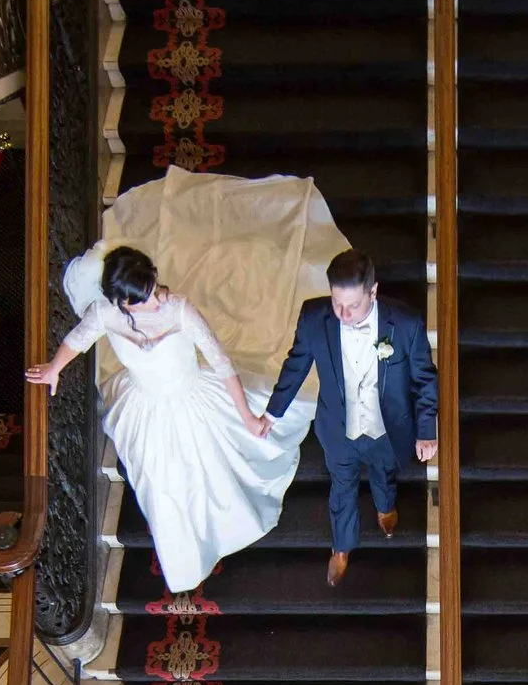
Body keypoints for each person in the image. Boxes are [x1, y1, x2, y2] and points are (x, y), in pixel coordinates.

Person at [25, 245, 302, 594]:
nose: (158, 301)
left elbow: (221, 363)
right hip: (146, 405)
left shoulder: (179, 309)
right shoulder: (104, 314)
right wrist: (53, 369)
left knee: (214, 466)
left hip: (193, 396)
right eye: (147, 298)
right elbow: (78, 340)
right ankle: (185, 556)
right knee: (163, 484)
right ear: (123, 302)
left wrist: (246, 416)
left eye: (155, 288)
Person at [262, 250, 438, 586]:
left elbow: (425, 379)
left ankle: (385, 508)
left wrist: (426, 430)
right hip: (338, 428)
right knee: (341, 487)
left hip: (387, 428)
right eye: (336, 303)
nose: (342, 314)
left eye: (352, 305)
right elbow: (296, 365)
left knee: (383, 473)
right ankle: (341, 547)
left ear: (373, 292)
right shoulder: (315, 318)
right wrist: (272, 413)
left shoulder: (404, 324)